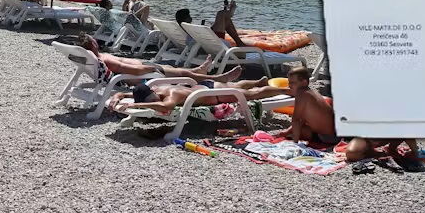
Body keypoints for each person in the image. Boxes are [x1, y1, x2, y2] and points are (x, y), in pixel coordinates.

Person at [77, 34, 241, 82]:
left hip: (143, 68)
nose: (95, 40)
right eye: (93, 40)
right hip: (143, 74)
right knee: (183, 74)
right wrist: (150, 67)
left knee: (175, 70)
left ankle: (199, 70)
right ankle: (217, 78)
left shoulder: (99, 57)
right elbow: (128, 69)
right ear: (93, 44)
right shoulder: (105, 59)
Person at [108, 77, 290, 115]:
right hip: (207, 86)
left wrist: (136, 106)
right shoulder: (154, 89)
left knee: (253, 94)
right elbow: (124, 93)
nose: (153, 102)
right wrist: (117, 97)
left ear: (153, 93)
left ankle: (287, 91)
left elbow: (166, 107)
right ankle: (258, 80)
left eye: (151, 100)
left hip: (216, 95)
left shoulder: (171, 94)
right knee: (236, 85)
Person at [277, 66, 338, 144]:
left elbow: (296, 119)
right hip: (336, 134)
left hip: (327, 138)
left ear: (304, 82)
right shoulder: (311, 92)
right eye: (289, 82)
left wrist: (295, 142)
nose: (290, 85)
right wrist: (287, 131)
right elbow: (302, 119)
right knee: (297, 128)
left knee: (299, 130)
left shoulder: (302, 93)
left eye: (293, 83)